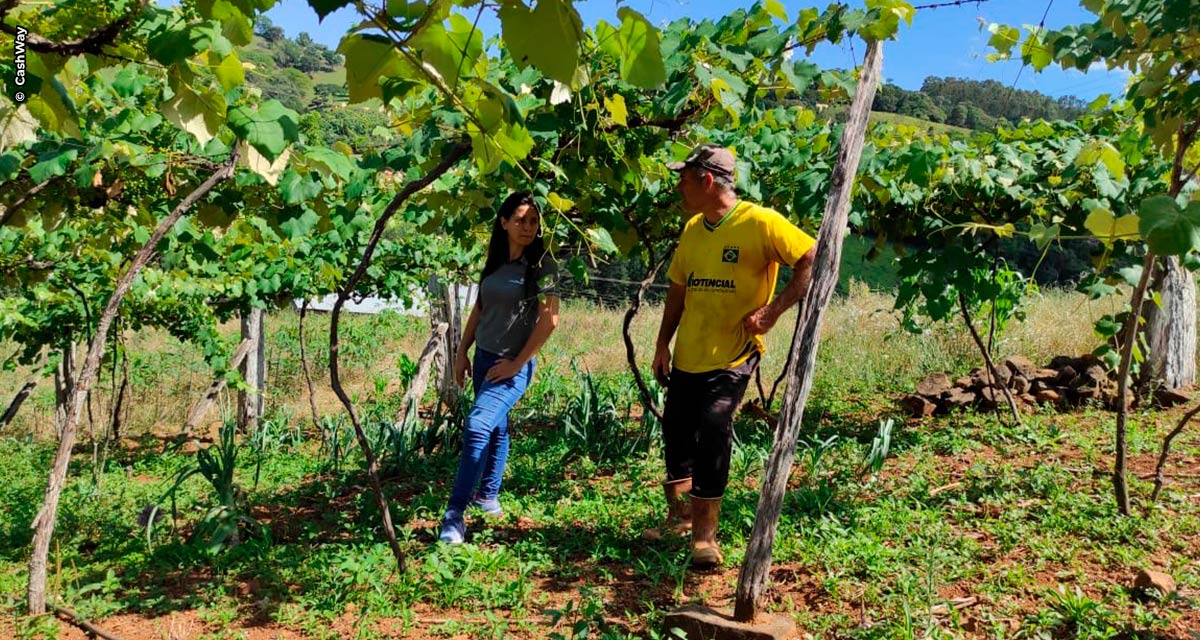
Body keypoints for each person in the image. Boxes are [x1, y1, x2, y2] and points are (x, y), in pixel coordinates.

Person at [648, 143, 815, 568]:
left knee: (714, 425)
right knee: (676, 431)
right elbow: (678, 290)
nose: (679, 188)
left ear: (706, 181)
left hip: (735, 353)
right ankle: (681, 518)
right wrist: (662, 343)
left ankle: (705, 536)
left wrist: (773, 311)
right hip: (689, 352)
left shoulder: (759, 222)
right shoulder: (692, 230)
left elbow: (811, 256)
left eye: (684, 180)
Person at [439, 192, 560, 544]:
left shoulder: (543, 267)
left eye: (533, 221)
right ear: (504, 222)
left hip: (511, 365)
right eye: (520, 219)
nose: (527, 227)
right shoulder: (494, 264)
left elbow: (549, 320)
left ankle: (454, 515)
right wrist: (462, 351)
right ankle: (487, 496)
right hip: (484, 359)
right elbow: (479, 309)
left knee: (477, 426)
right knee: (495, 428)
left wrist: (517, 364)